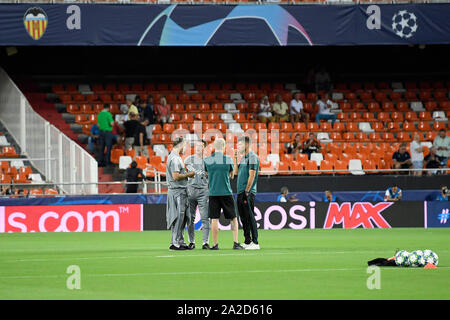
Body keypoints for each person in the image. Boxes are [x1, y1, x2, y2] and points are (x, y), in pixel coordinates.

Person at [204, 138, 244, 250]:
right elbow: (232, 175)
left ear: (213, 147)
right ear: (224, 146)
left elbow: (207, 173)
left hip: (213, 193)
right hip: (226, 192)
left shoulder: (207, 160)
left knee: (214, 219)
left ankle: (215, 244)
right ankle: (236, 243)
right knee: (233, 218)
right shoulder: (228, 159)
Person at [166, 137, 195, 251]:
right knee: (178, 217)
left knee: (183, 217)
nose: (186, 149)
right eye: (185, 146)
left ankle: (181, 241)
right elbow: (175, 176)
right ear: (181, 145)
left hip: (181, 191)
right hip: (177, 191)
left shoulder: (175, 157)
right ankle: (175, 243)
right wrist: (189, 174)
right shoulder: (174, 158)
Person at [234, 136, 260, 250]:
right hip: (240, 191)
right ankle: (247, 241)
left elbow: (252, 175)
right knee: (243, 217)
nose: (237, 147)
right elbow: (235, 172)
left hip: (247, 192)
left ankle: (255, 242)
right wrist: (235, 158)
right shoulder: (244, 158)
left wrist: (247, 191)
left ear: (246, 145)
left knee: (249, 216)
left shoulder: (252, 157)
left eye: (239, 145)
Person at [185, 140, 211, 250]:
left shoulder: (208, 161)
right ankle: (192, 242)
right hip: (191, 191)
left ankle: (205, 242)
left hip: (203, 192)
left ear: (204, 148)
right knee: (190, 218)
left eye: (201, 146)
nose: (198, 147)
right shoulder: (188, 160)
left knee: (205, 218)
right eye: (197, 146)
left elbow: (211, 175)